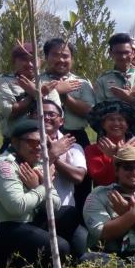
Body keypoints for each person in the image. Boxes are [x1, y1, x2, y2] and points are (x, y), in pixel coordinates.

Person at [0, 120, 76, 268]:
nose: (38, 147)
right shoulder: (2, 166)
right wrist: (43, 187)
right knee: (60, 247)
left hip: (22, 223)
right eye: (31, 142)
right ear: (15, 142)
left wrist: (37, 186)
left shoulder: (36, 164)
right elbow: (17, 207)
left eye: (43, 143)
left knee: (69, 214)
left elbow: (56, 205)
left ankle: (27, 264)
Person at [39, 98, 88, 256]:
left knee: (81, 245)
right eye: (40, 113)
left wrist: (55, 157)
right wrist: (52, 154)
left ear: (61, 121)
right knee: (60, 249)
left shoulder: (73, 146)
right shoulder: (22, 147)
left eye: (51, 114)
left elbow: (78, 177)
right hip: (35, 215)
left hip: (66, 214)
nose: (46, 117)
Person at [0, 43, 58, 153]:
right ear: (14, 61)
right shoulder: (4, 81)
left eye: (33, 59)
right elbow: (10, 112)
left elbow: (55, 115)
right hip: (14, 144)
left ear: (40, 62)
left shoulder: (48, 83)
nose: (29, 64)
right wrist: (37, 94)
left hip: (44, 144)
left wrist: (36, 93)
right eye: (24, 59)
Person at [38, 38, 96, 148]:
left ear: (72, 59)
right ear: (46, 57)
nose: (61, 60)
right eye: (55, 55)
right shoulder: (37, 82)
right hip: (43, 137)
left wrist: (65, 97)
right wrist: (55, 91)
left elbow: (90, 111)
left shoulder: (82, 83)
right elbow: (31, 108)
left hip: (76, 137)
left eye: (65, 56)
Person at [85, 100, 135, 187]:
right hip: (104, 197)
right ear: (102, 124)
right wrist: (116, 158)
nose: (116, 123)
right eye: (111, 119)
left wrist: (118, 155)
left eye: (121, 119)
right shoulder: (92, 150)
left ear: (127, 125)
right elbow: (101, 180)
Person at [93, 32, 135, 108]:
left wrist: (131, 100)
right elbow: (98, 110)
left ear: (133, 53)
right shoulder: (102, 81)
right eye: (118, 53)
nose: (123, 57)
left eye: (126, 52)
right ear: (110, 53)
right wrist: (122, 100)